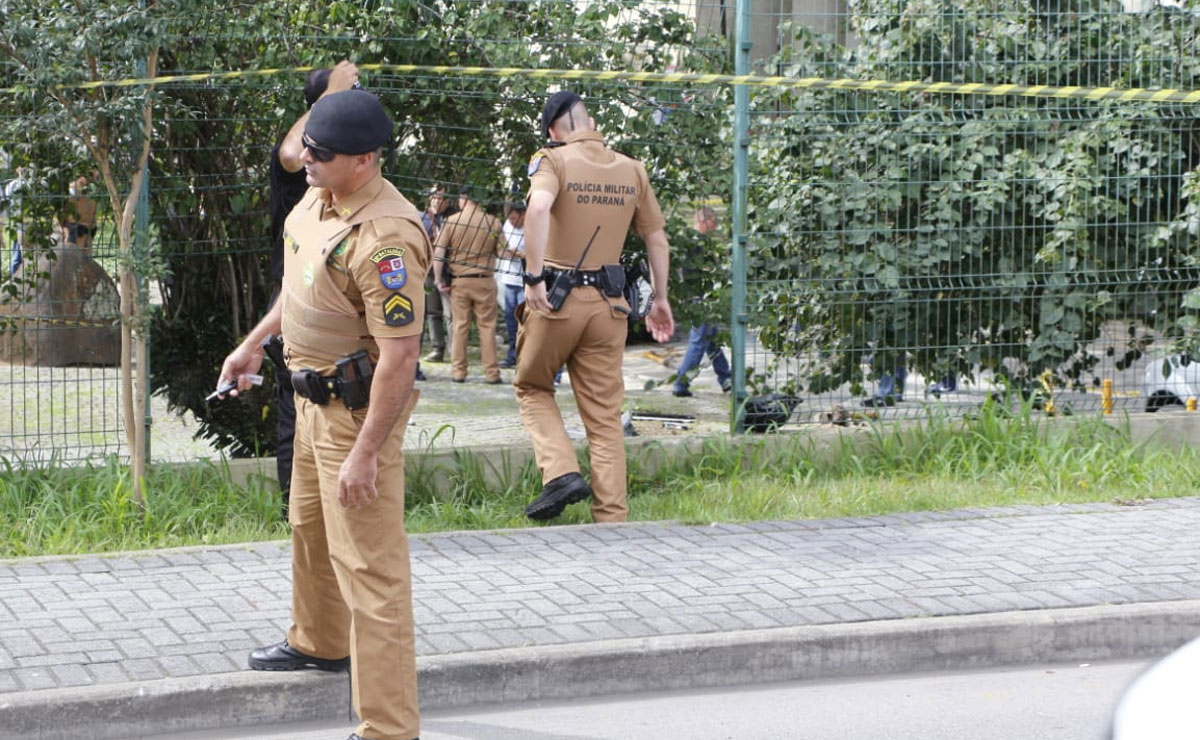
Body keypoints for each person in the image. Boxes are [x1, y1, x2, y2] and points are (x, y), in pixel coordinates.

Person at [217, 89, 425, 740]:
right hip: (305, 401)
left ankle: (389, 728)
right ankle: (319, 641)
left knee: (371, 568)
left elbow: (399, 359)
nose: (304, 157)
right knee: (308, 528)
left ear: (364, 161)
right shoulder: (319, 197)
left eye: (320, 152)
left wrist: (365, 452)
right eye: (307, 145)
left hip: (356, 413)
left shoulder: (387, 238)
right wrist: (252, 344)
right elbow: (302, 283)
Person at [517, 90, 675, 523]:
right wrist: (660, 300)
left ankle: (562, 472)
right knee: (605, 417)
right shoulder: (632, 169)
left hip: (556, 300)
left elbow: (540, 207)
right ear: (588, 121)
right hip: (611, 306)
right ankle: (611, 520)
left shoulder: (553, 161)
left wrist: (533, 277)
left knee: (531, 386)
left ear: (554, 130)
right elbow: (657, 238)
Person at [268, 60, 360, 514]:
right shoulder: (303, 160)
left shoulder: (348, 153)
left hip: (338, 294)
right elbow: (289, 152)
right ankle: (297, 508)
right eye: (349, 88)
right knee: (297, 401)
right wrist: (333, 95)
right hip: (296, 293)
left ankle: (337, 500)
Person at [432, 186, 503, 384]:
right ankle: (492, 373)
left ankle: (458, 372)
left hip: (460, 282)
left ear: (463, 200)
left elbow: (439, 253)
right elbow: (503, 252)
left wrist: (438, 280)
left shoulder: (451, 222)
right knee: (487, 327)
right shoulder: (493, 222)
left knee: (460, 327)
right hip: (485, 281)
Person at [671, 206, 731, 397]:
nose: (716, 226)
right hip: (702, 299)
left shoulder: (691, 241)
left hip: (699, 298)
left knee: (712, 341)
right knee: (698, 343)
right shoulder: (699, 243)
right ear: (705, 220)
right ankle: (681, 383)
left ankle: (726, 379)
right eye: (714, 221)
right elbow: (705, 271)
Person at [420, 184, 452, 364]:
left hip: (448, 272)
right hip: (428, 271)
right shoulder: (424, 217)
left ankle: (455, 352)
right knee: (432, 312)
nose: (435, 201)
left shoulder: (454, 217)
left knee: (451, 315)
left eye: (439, 198)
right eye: (433, 197)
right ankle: (436, 348)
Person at [497, 198, 526, 368]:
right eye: (509, 219)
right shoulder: (506, 226)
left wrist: (521, 254)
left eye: (514, 218)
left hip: (525, 281)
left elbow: (541, 255)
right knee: (510, 320)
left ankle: (525, 356)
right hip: (508, 279)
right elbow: (500, 247)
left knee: (525, 321)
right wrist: (504, 253)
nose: (512, 222)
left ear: (523, 215)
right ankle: (512, 355)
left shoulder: (533, 227)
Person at [61, 174, 98, 252]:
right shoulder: (72, 189)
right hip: (74, 229)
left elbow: (94, 216)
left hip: (86, 230)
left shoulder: (93, 192)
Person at [4, 167, 29, 275]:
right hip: (27, 222)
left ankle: (13, 276)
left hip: (16, 220)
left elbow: (7, 201)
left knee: (16, 251)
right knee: (23, 253)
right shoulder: (30, 185)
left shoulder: (11, 185)